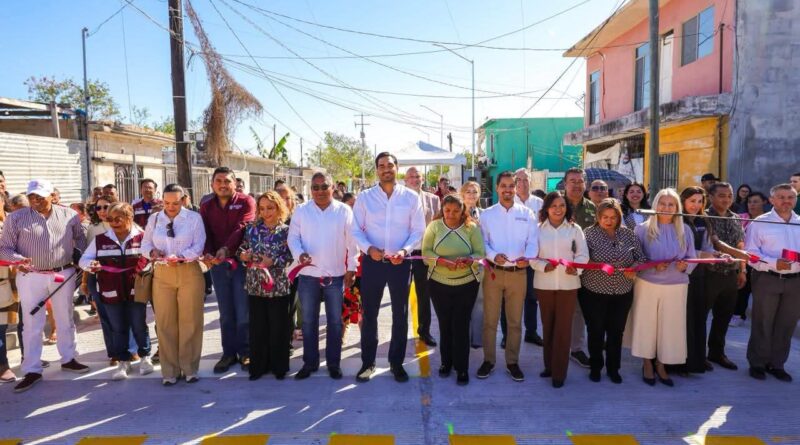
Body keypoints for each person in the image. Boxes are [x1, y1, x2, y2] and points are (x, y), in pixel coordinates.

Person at [0, 179, 89, 393]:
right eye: (32, 196)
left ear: (52, 195)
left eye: (40, 196)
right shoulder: (16, 218)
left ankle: (69, 358)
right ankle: (32, 369)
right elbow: (4, 249)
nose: (35, 200)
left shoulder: (69, 215)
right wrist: (18, 259)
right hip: (31, 276)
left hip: (63, 274)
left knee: (65, 318)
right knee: (31, 323)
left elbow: (81, 240)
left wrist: (81, 260)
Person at [351, 152, 425, 383]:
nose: (386, 169)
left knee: (400, 315)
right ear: (376, 170)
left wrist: (404, 251)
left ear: (397, 167)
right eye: (381, 165)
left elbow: (418, 230)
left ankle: (396, 363)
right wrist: (368, 248)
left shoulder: (411, 198)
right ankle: (368, 362)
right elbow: (356, 229)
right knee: (370, 313)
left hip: (400, 264)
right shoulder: (365, 198)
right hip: (372, 263)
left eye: (390, 165)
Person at [289, 172, 358, 380]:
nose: (319, 191)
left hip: (335, 275)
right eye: (315, 187)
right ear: (310, 190)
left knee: (335, 322)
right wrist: (298, 253)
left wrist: (352, 267)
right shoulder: (301, 210)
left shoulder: (344, 211)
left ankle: (334, 364)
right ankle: (309, 363)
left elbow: (352, 242)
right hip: (308, 275)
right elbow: (293, 237)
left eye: (324, 186)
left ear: (332, 188)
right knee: (308, 322)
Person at [79, 202, 153, 380]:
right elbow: (84, 260)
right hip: (110, 290)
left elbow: (152, 257)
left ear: (130, 217)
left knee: (139, 324)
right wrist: (92, 265)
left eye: (118, 218)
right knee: (117, 327)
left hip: (136, 289)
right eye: (110, 219)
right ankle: (123, 361)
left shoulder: (143, 237)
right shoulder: (100, 239)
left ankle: (145, 357)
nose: (113, 222)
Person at [476, 171, 538, 382]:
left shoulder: (527, 214)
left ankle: (512, 362)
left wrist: (527, 258)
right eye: (504, 185)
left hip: (518, 274)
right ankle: (489, 360)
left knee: (514, 322)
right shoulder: (487, 215)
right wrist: (493, 255)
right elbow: (482, 243)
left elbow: (532, 241)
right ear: (497, 188)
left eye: (512, 185)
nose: (508, 189)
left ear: (517, 187)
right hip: (493, 273)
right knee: (490, 321)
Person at [631, 188, 697, 387]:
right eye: (662, 203)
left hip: (676, 285)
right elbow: (636, 258)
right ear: (655, 205)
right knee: (646, 325)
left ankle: (661, 364)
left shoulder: (685, 229)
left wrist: (686, 265)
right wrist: (651, 264)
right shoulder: (641, 228)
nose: (666, 208)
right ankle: (647, 364)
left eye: (671, 204)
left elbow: (692, 256)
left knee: (671, 328)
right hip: (647, 284)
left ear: (677, 207)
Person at [141, 183, 206, 386]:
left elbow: (199, 245)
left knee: (191, 320)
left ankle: (190, 368)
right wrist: (153, 253)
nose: (171, 207)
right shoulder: (154, 218)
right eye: (167, 203)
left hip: (188, 271)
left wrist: (179, 257)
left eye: (175, 203)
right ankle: (169, 371)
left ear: (183, 200)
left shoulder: (194, 218)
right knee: (165, 322)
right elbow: (145, 244)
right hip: (162, 273)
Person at [580, 199, 645, 384]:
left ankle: (613, 368)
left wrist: (634, 267)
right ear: (598, 217)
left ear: (619, 217)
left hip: (622, 292)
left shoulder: (628, 235)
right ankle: (595, 367)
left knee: (616, 332)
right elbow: (581, 259)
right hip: (594, 291)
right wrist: (596, 265)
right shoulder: (589, 234)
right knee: (596, 331)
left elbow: (640, 257)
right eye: (605, 217)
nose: (609, 221)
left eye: (613, 217)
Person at [422, 194, 485, 386]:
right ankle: (445, 363)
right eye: (447, 210)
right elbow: (426, 254)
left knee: (461, 325)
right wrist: (440, 261)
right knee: (444, 324)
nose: (451, 214)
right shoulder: (434, 227)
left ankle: (462, 368)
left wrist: (468, 260)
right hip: (438, 283)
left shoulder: (471, 228)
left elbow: (480, 253)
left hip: (466, 283)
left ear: (462, 210)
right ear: (442, 209)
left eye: (456, 211)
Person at [200, 167, 256, 374]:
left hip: (240, 263)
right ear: (212, 184)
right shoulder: (206, 206)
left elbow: (243, 227)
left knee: (243, 311)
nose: (223, 185)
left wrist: (226, 249)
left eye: (227, 181)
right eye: (218, 181)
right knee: (225, 312)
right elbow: (203, 232)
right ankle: (228, 354)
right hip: (217, 264)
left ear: (234, 183)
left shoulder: (246, 201)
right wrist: (207, 254)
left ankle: (246, 352)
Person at [532, 192, 589, 388]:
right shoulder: (537, 230)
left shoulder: (575, 230)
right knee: (548, 327)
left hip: (568, 285)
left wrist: (577, 268)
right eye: (554, 205)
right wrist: (542, 266)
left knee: (563, 330)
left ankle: (559, 373)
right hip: (544, 285)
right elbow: (531, 255)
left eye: (562, 206)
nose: (558, 209)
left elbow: (583, 255)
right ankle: (549, 366)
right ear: (546, 208)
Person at [744, 183, 800, 382]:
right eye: (782, 197)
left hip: (795, 282)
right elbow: (751, 254)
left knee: (786, 324)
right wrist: (773, 262)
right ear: (772, 200)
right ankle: (757, 363)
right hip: (767, 278)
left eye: (791, 197)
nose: (786, 201)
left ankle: (777, 364)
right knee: (763, 322)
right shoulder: (760, 223)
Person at [238, 191, 293, 381]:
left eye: (270, 208)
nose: (266, 212)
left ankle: (279, 367)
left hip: (278, 284)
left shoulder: (286, 231)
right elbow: (242, 248)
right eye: (262, 208)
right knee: (258, 327)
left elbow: (290, 255)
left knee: (278, 326)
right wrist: (243, 255)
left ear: (279, 208)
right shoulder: (252, 229)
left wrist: (274, 261)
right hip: (255, 283)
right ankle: (258, 366)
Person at [703, 183, 747, 371]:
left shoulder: (735, 217)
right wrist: (741, 256)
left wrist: (742, 269)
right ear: (710, 196)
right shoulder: (703, 216)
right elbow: (715, 242)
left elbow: (740, 244)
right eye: (721, 195)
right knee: (701, 316)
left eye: (729, 195)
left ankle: (717, 352)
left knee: (724, 316)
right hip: (709, 274)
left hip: (730, 274)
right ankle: (697, 354)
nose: (726, 199)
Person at [679, 187, 715, 375]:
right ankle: (682, 361)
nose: (696, 205)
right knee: (684, 319)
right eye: (692, 201)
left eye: (700, 201)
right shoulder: (677, 221)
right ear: (683, 201)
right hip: (682, 275)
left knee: (699, 318)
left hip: (700, 275)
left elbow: (708, 245)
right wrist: (705, 254)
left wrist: (717, 254)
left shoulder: (703, 220)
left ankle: (698, 359)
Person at [404, 167, 440, 347]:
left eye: (417, 176)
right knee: (401, 295)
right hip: (403, 255)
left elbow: (438, 227)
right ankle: (400, 331)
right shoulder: (398, 200)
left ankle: (424, 331)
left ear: (423, 179)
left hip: (424, 255)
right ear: (405, 180)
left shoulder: (434, 200)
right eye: (411, 176)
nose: (414, 179)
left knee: (424, 295)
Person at [562, 168, 594, 369]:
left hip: (585, 268)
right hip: (559, 268)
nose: (576, 184)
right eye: (572, 181)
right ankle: (556, 345)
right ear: (565, 184)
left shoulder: (593, 208)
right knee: (559, 310)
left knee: (579, 311)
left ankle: (576, 348)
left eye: (580, 181)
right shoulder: (556, 205)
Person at [511, 168, 544, 347]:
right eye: (519, 180)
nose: (522, 184)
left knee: (532, 298)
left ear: (531, 181)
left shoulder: (540, 203)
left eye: (526, 180)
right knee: (510, 299)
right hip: (512, 258)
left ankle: (531, 332)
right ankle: (507, 335)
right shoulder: (508, 202)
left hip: (532, 258)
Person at [731, 191, 768, 326]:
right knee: (742, 289)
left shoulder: (768, 219)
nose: (751, 204)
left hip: (764, 261)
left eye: (755, 201)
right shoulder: (742, 218)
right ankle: (738, 315)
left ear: (764, 202)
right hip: (744, 259)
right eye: (749, 202)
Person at [460, 181, 483, 349]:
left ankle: (477, 338)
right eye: (468, 191)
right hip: (460, 264)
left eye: (474, 191)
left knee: (479, 302)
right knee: (462, 303)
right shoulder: (456, 214)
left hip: (479, 264)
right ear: (462, 194)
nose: (471, 194)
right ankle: (463, 336)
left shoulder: (484, 214)